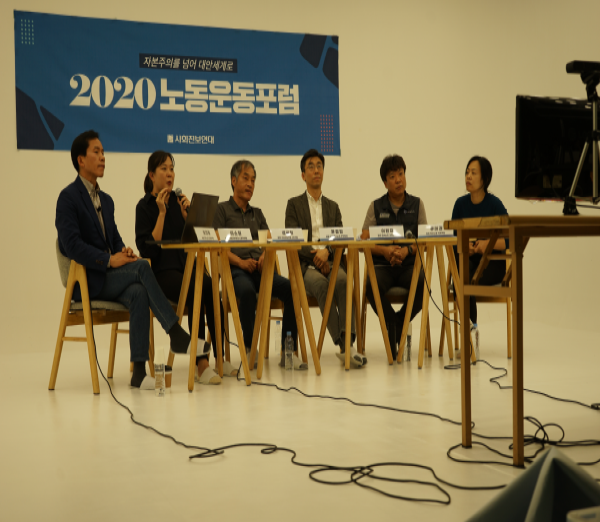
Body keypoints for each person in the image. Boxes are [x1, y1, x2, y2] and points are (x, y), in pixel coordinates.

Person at [56, 130, 194, 389]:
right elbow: (71, 246)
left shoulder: (106, 201)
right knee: (142, 267)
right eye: (96, 152)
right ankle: (175, 332)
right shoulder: (68, 198)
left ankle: (139, 371)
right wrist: (109, 260)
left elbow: (115, 239)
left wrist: (125, 251)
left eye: (103, 152)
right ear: (81, 160)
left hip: (110, 277)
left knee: (139, 291)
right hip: (88, 280)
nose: (103, 157)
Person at [135, 151, 232, 385]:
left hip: (184, 268)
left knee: (209, 286)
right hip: (161, 275)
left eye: (172, 169)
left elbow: (194, 242)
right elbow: (148, 250)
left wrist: (189, 217)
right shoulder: (144, 206)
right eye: (164, 169)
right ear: (152, 175)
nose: (170, 174)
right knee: (197, 288)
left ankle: (220, 358)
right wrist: (161, 213)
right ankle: (201, 364)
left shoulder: (178, 203)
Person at [212, 160, 306, 370]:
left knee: (292, 289)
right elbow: (217, 246)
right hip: (235, 270)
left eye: (253, 180)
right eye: (245, 178)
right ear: (233, 181)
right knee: (246, 292)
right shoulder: (221, 210)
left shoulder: (258, 213)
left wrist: (265, 254)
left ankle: (288, 351)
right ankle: (250, 348)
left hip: (261, 270)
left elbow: (269, 240)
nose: (250, 184)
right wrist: (240, 262)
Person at [285, 149, 363, 368]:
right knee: (321, 285)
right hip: (306, 265)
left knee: (343, 281)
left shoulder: (333, 207)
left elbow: (340, 236)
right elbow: (293, 239)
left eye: (319, 166)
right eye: (311, 166)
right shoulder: (294, 205)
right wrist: (316, 258)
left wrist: (327, 251)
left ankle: (348, 344)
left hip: (331, 261)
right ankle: (343, 344)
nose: (316, 170)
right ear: (303, 175)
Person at [361, 154, 427, 360]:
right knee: (370, 287)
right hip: (383, 266)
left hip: (409, 266)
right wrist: (385, 251)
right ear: (385, 182)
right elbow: (363, 241)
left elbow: (425, 240)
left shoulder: (417, 204)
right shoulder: (375, 206)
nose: (398, 180)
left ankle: (397, 324)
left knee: (424, 286)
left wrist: (407, 251)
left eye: (401, 174)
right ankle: (393, 321)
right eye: (392, 176)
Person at [451, 156, 508, 351]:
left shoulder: (495, 205)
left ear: (484, 179)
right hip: (468, 261)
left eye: (473, 173)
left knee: (463, 281)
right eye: (467, 172)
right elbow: (453, 239)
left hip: (492, 264)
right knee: (463, 275)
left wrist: (487, 245)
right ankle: (471, 330)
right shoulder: (460, 205)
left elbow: (509, 240)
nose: (468, 176)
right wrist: (465, 246)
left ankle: (469, 332)